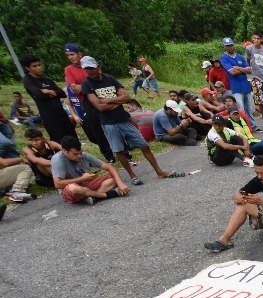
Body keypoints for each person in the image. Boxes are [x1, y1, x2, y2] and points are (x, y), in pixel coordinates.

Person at [79, 57, 183, 185]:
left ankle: (159, 171)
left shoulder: (109, 78)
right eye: (87, 69)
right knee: (119, 150)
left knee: (144, 145)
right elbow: (99, 106)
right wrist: (118, 100)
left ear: (98, 66)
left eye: (92, 68)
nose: (90, 71)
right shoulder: (86, 84)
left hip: (123, 118)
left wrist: (107, 101)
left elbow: (127, 97)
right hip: (107, 122)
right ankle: (133, 175)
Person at [50, 134, 129, 205]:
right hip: (72, 191)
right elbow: (58, 184)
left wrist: (120, 184)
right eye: (75, 154)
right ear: (64, 151)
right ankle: (106, 195)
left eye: (80, 153)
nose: (79, 156)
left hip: (87, 185)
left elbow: (109, 167)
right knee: (73, 188)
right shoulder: (58, 160)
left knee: (114, 178)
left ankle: (92, 197)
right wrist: (81, 179)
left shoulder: (84, 155)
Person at [20, 53, 76, 143]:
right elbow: (39, 95)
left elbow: (62, 94)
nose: (39, 68)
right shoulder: (28, 79)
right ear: (27, 68)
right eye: (34, 66)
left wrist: (49, 91)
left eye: (39, 65)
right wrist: (52, 92)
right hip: (49, 116)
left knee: (72, 138)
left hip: (61, 113)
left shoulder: (47, 80)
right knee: (60, 141)